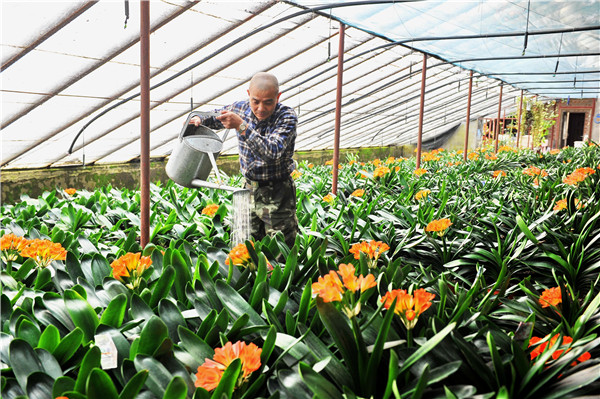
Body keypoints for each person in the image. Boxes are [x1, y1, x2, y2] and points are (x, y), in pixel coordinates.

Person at [189, 72, 299, 248]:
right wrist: (199, 119)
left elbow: (272, 152)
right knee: (244, 245)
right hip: (248, 189)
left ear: (278, 97)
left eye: (268, 102)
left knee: (281, 248)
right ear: (248, 94)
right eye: (255, 101)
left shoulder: (286, 117)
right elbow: (216, 115)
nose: (261, 108)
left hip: (278, 192)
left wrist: (241, 126)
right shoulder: (240, 108)